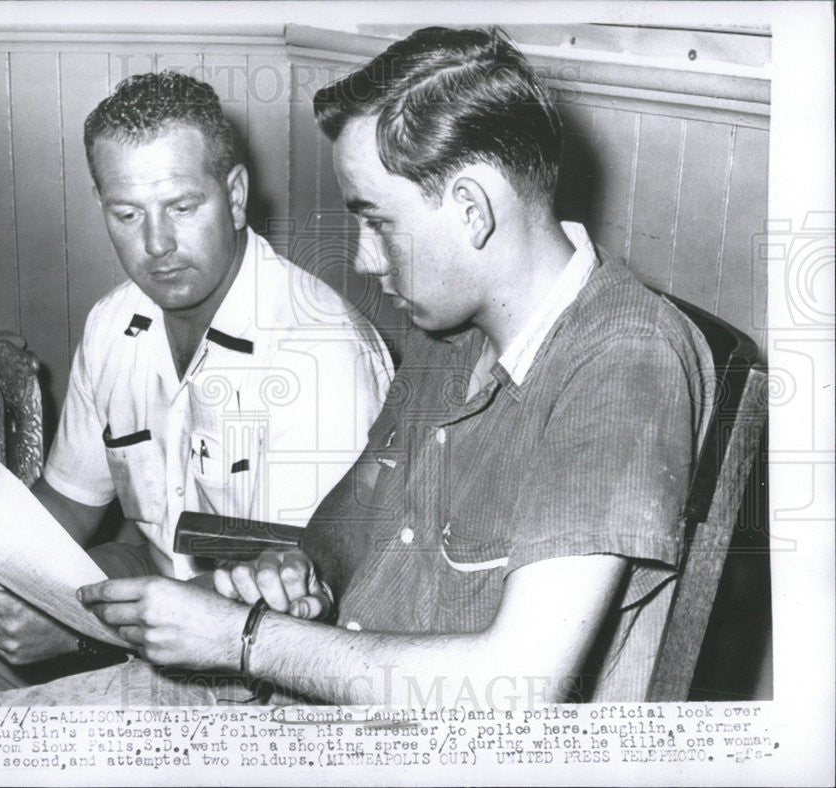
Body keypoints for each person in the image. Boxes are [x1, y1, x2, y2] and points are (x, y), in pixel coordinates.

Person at [79, 27, 716, 706]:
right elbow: (353, 509)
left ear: (471, 210)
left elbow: (521, 685)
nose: (364, 259)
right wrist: (302, 570)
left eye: (377, 222)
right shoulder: (455, 334)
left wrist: (246, 639)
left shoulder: (622, 358)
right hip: (323, 686)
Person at [0, 71, 392, 706]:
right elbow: (70, 502)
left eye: (183, 208)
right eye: (127, 214)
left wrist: (83, 632)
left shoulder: (318, 351)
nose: (157, 245)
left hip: (278, 639)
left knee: (46, 707)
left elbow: (301, 588)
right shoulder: (112, 324)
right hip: (163, 587)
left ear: (235, 196)